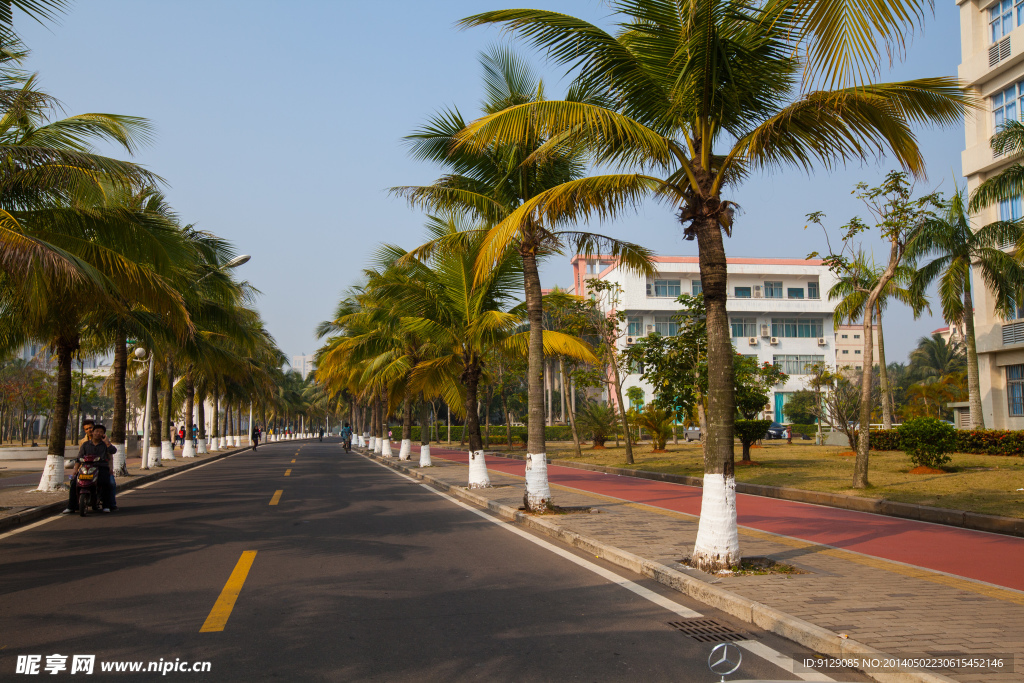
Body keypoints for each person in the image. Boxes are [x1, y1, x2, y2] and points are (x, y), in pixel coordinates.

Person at [62, 423, 116, 514]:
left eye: (101, 432)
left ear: (103, 434)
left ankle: (106, 505)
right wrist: (75, 470)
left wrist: (107, 442)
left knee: (105, 483)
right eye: (96, 431)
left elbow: (113, 451)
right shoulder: (85, 445)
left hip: (101, 468)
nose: (98, 433)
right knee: (74, 483)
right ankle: (71, 506)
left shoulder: (105, 445)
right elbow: (79, 458)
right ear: (93, 432)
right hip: (86, 468)